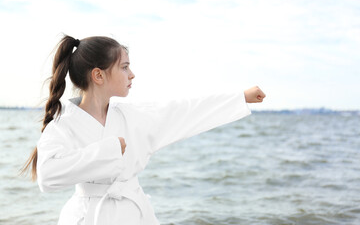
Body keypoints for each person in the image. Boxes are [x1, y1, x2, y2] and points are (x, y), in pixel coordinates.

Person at [21, 35, 266, 225]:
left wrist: (240, 97)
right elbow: (47, 176)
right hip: (89, 218)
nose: (132, 74)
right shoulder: (64, 124)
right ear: (98, 75)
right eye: (125, 67)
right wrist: (109, 150)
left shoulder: (133, 117)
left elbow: (184, 110)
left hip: (134, 215)